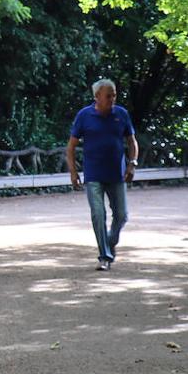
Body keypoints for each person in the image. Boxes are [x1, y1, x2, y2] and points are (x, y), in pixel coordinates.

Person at [66, 78, 138, 271]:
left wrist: (132, 163)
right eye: (108, 95)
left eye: (114, 94)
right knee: (98, 214)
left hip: (117, 174)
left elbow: (132, 142)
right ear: (97, 96)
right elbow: (71, 147)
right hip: (93, 175)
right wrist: (73, 173)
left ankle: (109, 242)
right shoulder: (84, 116)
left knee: (121, 215)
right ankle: (104, 256)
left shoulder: (121, 114)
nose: (112, 98)